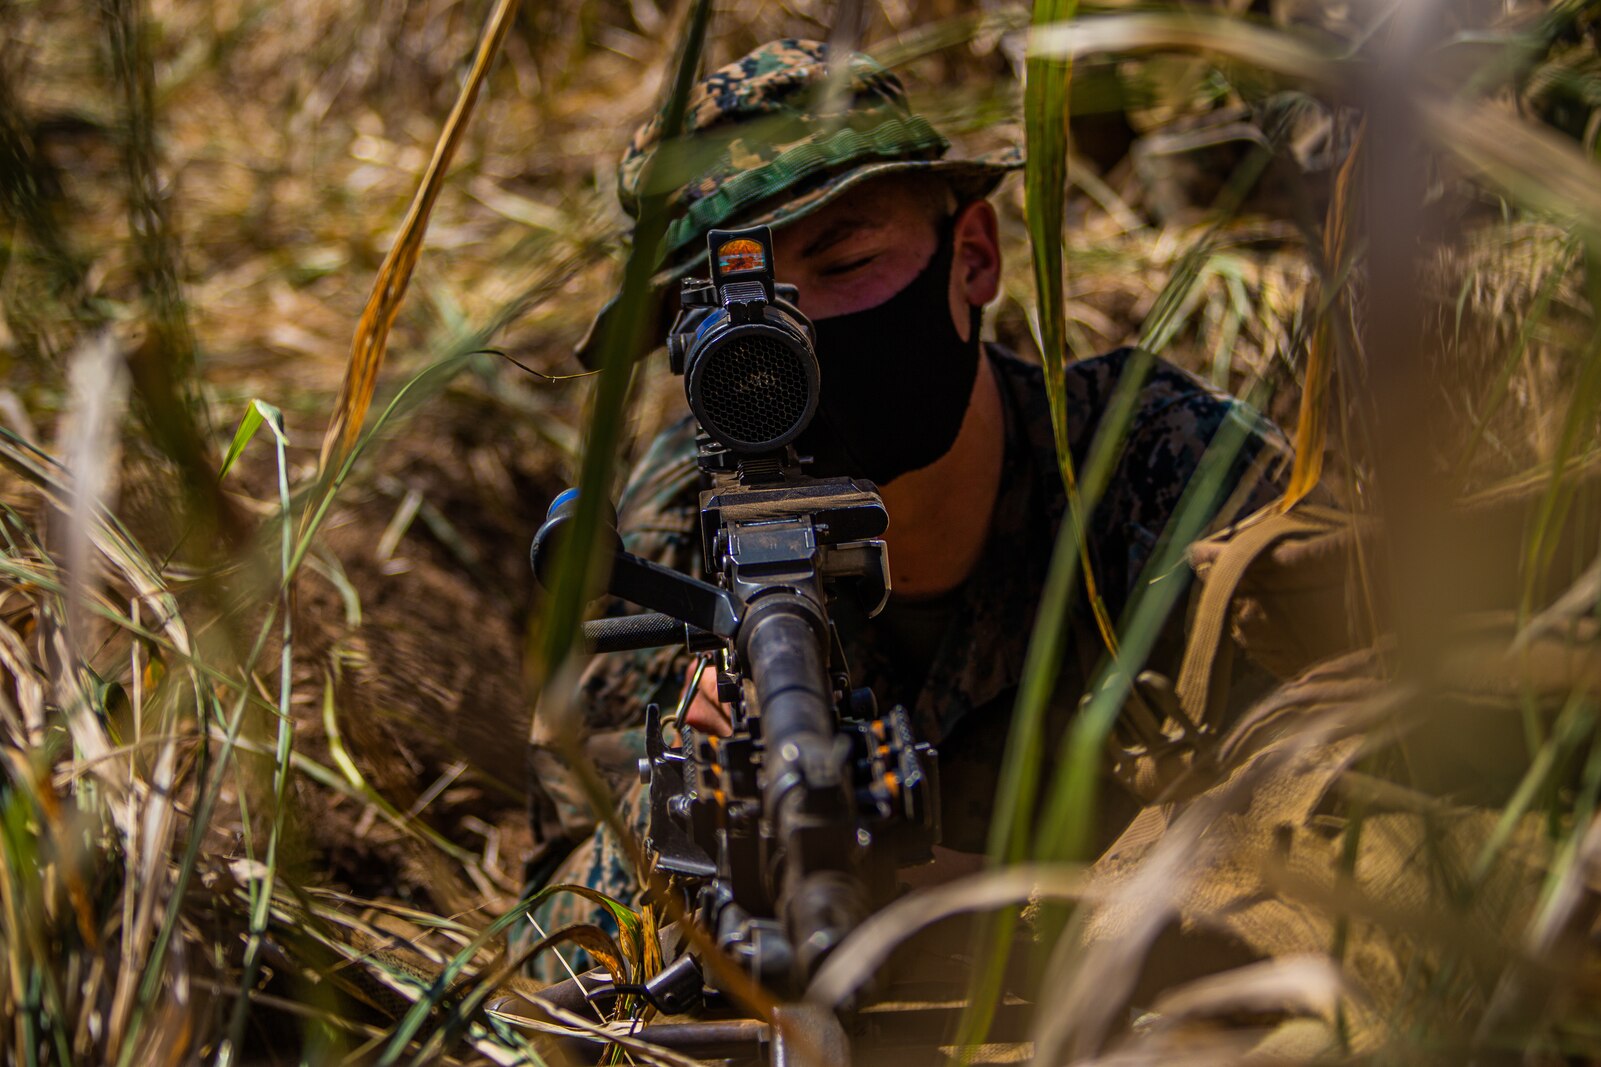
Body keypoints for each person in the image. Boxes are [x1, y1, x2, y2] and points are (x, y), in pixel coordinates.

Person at [520, 38, 1291, 979]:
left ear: (972, 258)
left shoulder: (1169, 470)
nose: (789, 348)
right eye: (723, 321)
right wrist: (688, 820)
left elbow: (1357, 809)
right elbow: (546, 941)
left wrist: (1020, 916)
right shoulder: (669, 540)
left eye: (842, 262)